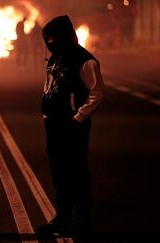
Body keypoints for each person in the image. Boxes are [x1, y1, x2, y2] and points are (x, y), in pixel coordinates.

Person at [37, 15, 105, 236]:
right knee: (58, 171)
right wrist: (46, 112)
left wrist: (79, 117)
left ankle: (82, 220)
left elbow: (97, 93)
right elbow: (49, 85)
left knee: (77, 171)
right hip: (54, 123)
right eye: (48, 38)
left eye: (54, 38)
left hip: (73, 125)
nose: (50, 43)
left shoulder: (86, 61)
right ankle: (63, 216)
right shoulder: (56, 58)